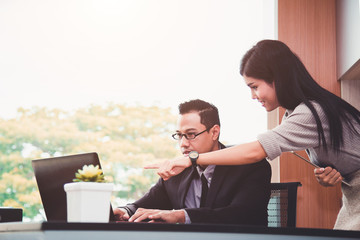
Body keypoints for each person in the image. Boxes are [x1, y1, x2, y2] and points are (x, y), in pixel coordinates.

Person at [147, 40, 360, 230]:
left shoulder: (310, 113)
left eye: (255, 86)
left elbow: (255, 151)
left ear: (277, 78)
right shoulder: (297, 114)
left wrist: (191, 159)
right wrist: (333, 174)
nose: (253, 96)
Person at [114, 99, 271, 225]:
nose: (183, 143)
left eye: (190, 134)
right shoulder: (177, 170)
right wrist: (125, 211)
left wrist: (181, 215)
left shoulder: (250, 165)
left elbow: (243, 215)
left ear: (214, 132)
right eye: (179, 135)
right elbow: (146, 204)